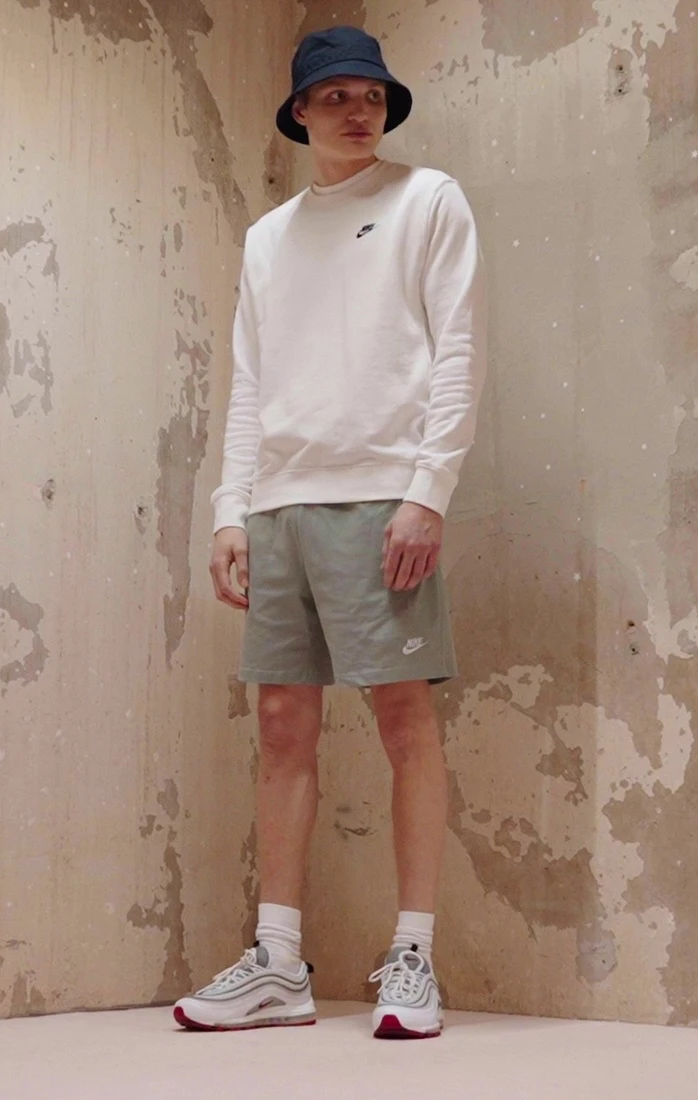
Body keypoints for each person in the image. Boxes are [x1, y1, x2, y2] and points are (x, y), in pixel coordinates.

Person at [174, 25, 487, 1040]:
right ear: (301, 110)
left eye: (372, 94)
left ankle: (413, 954)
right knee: (280, 725)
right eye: (337, 95)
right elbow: (250, 381)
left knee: (403, 717)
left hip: (382, 497)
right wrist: (232, 508)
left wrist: (428, 491)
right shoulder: (269, 237)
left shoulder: (428, 199)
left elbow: (460, 351)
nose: (358, 110)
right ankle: (278, 962)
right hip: (279, 505)